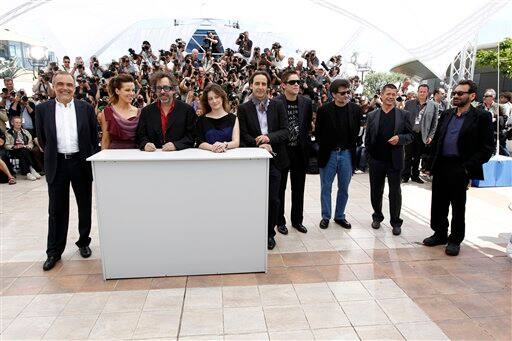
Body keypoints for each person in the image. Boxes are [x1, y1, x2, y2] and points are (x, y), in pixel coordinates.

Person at [35, 71, 99, 271]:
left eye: (69, 85)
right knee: (56, 210)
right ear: (53, 86)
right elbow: (42, 139)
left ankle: (83, 241)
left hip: (80, 163)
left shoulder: (86, 108)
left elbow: (92, 137)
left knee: (84, 205)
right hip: (57, 164)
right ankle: (53, 251)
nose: (65, 88)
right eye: (60, 84)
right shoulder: (42, 109)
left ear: (75, 87)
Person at [424, 80, 494, 256]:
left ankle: (455, 239)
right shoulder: (447, 114)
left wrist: (467, 167)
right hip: (442, 165)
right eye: (454, 93)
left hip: (460, 167)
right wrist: (429, 164)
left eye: (460, 93)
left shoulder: (482, 117)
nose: (456, 96)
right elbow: (438, 140)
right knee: (438, 203)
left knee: (457, 205)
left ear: (471, 96)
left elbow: (487, 149)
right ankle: (439, 234)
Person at [238, 71, 289, 250]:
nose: (260, 87)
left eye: (263, 84)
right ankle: (252, 230)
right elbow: (243, 135)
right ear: (251, 85)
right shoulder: (243, 108)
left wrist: (268, 139)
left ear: (268, 87)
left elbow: (285, 131)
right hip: (254, 160)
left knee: (273, 200)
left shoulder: (278, 106)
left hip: (276, 159)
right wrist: (258, 144)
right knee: (253, 198)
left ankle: (269, 233)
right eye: (257, 84)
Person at [365, 84, 414, 236]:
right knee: (376, 191)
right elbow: (368, 139)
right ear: (381, 94)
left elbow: (411, 136)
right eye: (388, 94)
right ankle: (377, 216)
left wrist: (400, 138)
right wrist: (369, 158)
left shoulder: (403, 114)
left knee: (395, 192)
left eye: (394, 94)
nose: (391, 97)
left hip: (395, 161)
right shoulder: (372, 115)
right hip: (376, 160)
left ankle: (396, 222)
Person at [315, 79, 362, 230]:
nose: (346, 95)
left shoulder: (355, 109)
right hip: (328, 153)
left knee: (344, 187)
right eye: (342, 93)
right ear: (334, 94)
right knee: (326, 187)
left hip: (347, 154)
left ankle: (340, 216)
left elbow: (357, 133)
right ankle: (325, 216)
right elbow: (318, 133)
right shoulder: (324, 110)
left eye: (348, 92)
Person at [275, 70, 313, 235]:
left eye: (298, 81)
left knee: (298, 188)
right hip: (282, 151)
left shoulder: (306, 102)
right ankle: (280, 221)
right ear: (283, 85)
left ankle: (297, 221)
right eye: (292, 82)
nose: (297, 84)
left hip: (300, 151)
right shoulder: (275, 102)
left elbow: (307, 128)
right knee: (280, 189)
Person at [136, 71, 196, 152]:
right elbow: (140, 136)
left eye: (166, 88)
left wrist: (176, 145)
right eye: (159, 88)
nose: (162, 91)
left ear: (174, 90)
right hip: (153, 158)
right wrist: (145, 144)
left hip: (179, 158)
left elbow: (191, 136)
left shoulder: (187, 110)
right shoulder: (146, 111)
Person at [402, 84, 439, 183]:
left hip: (422, 135)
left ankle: (415, 176)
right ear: (418, 92)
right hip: (410, 133)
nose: (422, 93)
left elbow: (435, 123)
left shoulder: (434, 105)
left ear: (427, 93)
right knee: (408, 156)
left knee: (418, 157)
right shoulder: (409, 103)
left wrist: (431, 136)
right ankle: (405, 175)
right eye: (420, 91)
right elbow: (404, 119)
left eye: (424, 91)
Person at [99, 74, 140, 149]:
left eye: (133, 90)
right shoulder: (107, 112)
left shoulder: (139, 112)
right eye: (127, 90)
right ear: (117, 91)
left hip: (135, 156)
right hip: (114, 157)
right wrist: (103, 159)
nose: (131, 93)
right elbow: (105, 139)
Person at [195, 83, 239, 152]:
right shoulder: (201, 119)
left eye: (217, 97)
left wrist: (224, 145)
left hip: (229, 158)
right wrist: (213, 147)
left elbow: (236, 142)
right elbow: (199, 142)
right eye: (210, 99)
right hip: (208, 158)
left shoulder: (233, 118)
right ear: (207, 102)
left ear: (222, 97)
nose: (214, 101)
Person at [4, 116, 41, 181]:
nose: (19, 124)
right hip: (14, 150)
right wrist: (15, 146)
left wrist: (28, 146)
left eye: (20, 122)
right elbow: (6, 145)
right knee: (23, 151)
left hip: (25, 149)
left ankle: (28, 172)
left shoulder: (25, 132)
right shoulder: (8, 133)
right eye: (16, 122)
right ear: (12, 123)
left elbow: (30, 142)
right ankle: (31, 169)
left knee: (24, 151)